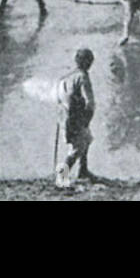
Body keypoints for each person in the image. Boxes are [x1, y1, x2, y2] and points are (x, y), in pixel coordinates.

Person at [56, 48, 96, 186]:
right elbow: (90, 102)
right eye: (90, 61)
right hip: (75, 117)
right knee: (78, 147)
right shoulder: (82, 76)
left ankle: (83, 170)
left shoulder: (65, 77)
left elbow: (59, 99)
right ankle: (62, 176)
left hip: (64, 115)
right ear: (86, 62)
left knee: (87, 139)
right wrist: (87, 119)